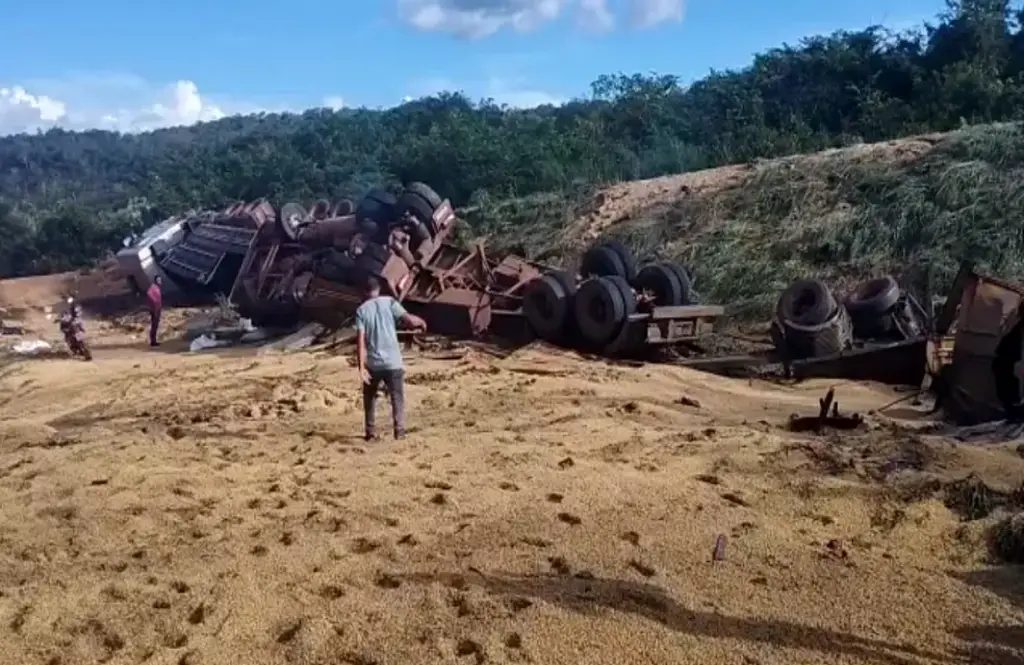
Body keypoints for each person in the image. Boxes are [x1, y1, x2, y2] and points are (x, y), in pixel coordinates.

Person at [355, 275, 427, 441]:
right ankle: (400, 430)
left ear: (364, 292)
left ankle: (370, 433)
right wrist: (421, 322)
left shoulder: (361, 311)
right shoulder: (390, 302)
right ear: (378, 289)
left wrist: (361, 367)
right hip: (393, 362)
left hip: (373, 364)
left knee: (370, 399)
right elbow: (409, 320)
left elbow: (360, 341)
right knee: (397, 397)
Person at [147, 276, 163, 347]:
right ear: (155, 280)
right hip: (154, 309)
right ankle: (152, 341)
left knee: (156, 325)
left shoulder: (157, 287)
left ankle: (154, 340)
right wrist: (155, 301)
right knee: (154, 324)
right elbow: (149, 293)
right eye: (158, 280)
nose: (160, 281)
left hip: (157, 308)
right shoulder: (153, 287)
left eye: (160, 280)